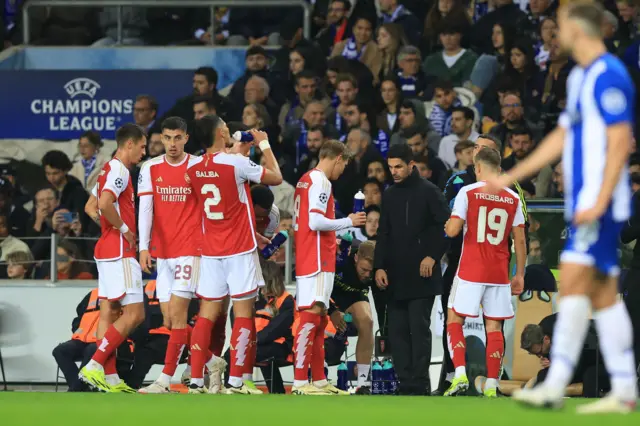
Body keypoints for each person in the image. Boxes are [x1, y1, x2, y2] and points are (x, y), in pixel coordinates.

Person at [486, 2, 638, 413]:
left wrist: (601, 198)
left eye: (561, 28)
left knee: (572, 284)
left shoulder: (608, 74)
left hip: (600, 200)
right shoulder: (582, 78)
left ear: (579, 30)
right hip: (589, 197)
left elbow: (621, 140)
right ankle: (624, 387)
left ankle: (555, 385)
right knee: (604, 297)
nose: (555, 36)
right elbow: (561, 136)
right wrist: (510, 173)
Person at [186, 117, 283, 394]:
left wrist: (237, 152)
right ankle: (237, 382)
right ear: (220, 132)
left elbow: (218, 174)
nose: (229, 128)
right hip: (239, 249)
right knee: (243, 314)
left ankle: (195, 381)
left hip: (211, 250)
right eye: (225, 127)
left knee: (206, 315)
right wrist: (264, 144)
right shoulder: (235, 163)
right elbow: (276, 177)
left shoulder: (193, 167)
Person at [136, 117, 218, 394]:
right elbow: (145, 209)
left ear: (186, 138)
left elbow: (210, 206)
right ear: (161, 138)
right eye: (167, 138)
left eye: (177, 138)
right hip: (164, 252)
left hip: (190, 250)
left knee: (179, 316)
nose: (172, 144)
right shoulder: (150, 167)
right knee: (170, 319)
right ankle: (212, 360)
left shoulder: (197, 166)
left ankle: (164, 379)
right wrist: (144, 247)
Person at [443, 147, 526, 398]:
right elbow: (520, 240)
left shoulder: (467, 192)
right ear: (499, 169)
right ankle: (492, 383)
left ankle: (459, 375)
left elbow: (453, 230)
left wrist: (448, 225)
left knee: (454, 319)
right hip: (499, 273)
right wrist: (519, 273)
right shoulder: (512, 198)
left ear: (478, 168)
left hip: (471, 270)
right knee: (494, 327)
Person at [374, 143, 450, 395]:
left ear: (411, 165)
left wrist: (433, 256)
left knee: (418, 330)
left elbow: (447, 227)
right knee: (396, 332)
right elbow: (383, 233)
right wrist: (379, 267)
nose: (393, 171)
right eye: (390, 167)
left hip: (423, 274)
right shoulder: (389, 195)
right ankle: (404, 383)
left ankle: (419, 383)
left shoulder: (429, 191)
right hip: (395, 274)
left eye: (398, 166)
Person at [292, 139, 366, 395]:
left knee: (320, 319)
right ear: (337, 158)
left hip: (309, 254)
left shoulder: (305, 179)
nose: (343, 170)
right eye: (344, 164)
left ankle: (320, 379)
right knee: (311, 317)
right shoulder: (321, 181)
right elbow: (314, 221)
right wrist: (348, 221)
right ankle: (301, 381)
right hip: (317, 259)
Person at [78, 123, 147, 393]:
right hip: (120, 251)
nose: (143, 152)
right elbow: (105, 204)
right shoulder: (120, 170)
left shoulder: (106, 168)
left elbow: (90, 207)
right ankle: (95, 365)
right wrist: (125, 231)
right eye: (141, 146)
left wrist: (108, 228)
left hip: (105, 249)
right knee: (135, 314)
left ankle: (111, 378)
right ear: (128, 144)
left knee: (109, 311)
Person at [520, 314, 608, 398]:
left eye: (539, 352)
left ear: (546, 339)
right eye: (535, 354)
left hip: (601, 359)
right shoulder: (540, 330)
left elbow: (577, 363)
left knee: (590, 376)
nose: (540, 356)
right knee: (542, 375)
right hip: (579, 360)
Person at [331, 240, 376, 394]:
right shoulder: (339, 257)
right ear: (356, 257)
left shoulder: (377, 268)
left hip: (353, 296)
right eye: (364, 269)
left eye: (371, 271)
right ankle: (312, 379)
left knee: (367, 321)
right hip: (328, 294)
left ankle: (362, 383)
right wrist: (332, 311)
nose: (367, 275)